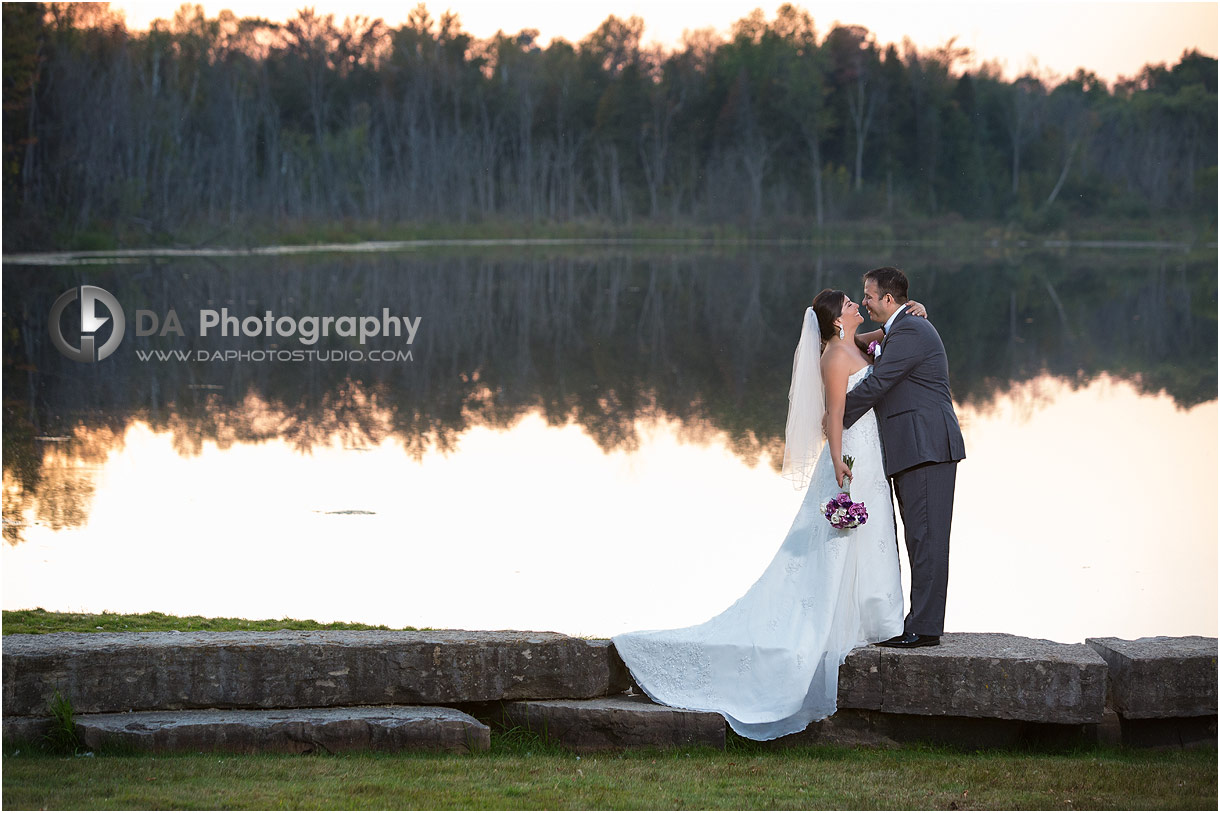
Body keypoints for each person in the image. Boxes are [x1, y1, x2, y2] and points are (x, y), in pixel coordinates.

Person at [611, 289, 926, 741]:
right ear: (837, 321)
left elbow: (886, 332)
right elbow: (834, 414)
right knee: (837, 546)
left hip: (873, 456)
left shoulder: (854, 344)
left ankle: (876, 620)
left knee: (872, 539)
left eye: (861, 302)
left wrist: (910, 312)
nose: (858, 305)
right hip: (852, 454)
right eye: (850, 306)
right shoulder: (836, 357)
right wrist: (838, 462)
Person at [844, 266, 965, 648]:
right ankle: (920, 622)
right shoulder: (900, 328)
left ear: (888, 299)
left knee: (927, 540)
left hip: (927, 447)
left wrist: (832, 416)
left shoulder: (911, 330)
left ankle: (924, 629)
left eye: (868, 295)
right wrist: (856, 336)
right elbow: (852, 345)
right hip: (912, 449)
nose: (864, 300)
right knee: (919, 538)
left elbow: (879, 384)